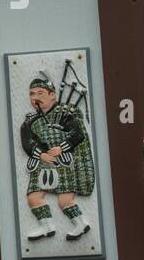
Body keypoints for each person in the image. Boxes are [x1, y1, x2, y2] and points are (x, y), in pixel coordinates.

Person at [20, 73, 94, 241]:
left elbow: (78, 134)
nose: (35, 98)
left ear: (52, 95)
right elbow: (27, 142)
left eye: (40, 93)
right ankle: (46, 226)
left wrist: (62, 148)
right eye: (32, 94)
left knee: (65, 200)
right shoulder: (30, 122)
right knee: (34, 197)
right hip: (42, 163)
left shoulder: (66, 114)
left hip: (62, 162)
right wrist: (42, 154)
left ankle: (80, 223)